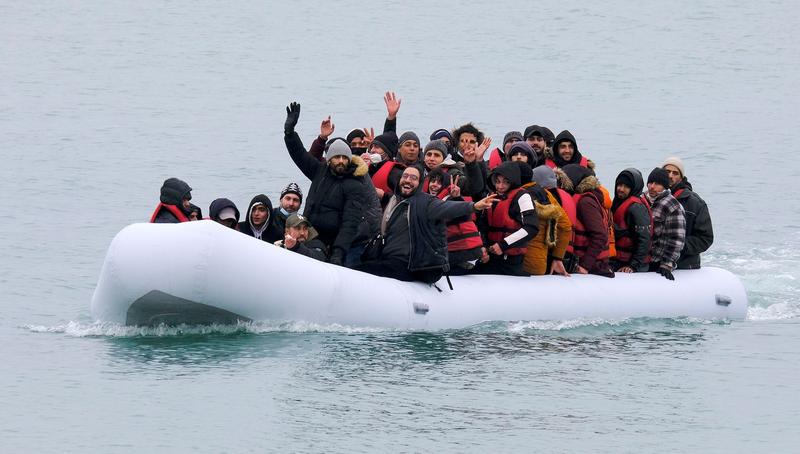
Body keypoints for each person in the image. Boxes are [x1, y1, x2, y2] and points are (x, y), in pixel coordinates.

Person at [355, 166, 496, 283]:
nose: (408, 180)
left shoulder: (427, 203)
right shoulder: (395, 200)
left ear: (420, 184)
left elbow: (448, 208)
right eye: (405, 176)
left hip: (410, 265)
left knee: (360, 271)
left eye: (413, 178)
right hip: (388, 258)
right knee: (360, 265)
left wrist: (474, 206)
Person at [284, 102, 380, 266]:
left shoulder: (355, 183)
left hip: (341, 243)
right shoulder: (319, 171)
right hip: (313, 236)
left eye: (344, 157)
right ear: (329, 159)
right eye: (337, 157)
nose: (341, 161)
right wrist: (289, 132)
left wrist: (338, 253)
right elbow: (299, 155)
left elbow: (349, 223)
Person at [474, 161, 539, 276]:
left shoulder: (523, 197)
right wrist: (483, 247)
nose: (500, 186)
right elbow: (483, 225)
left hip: (511, 261)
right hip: (491, 257)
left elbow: (531, 228)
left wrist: (503, 245)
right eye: (497, 181)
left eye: (505, 182)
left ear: (513, 182)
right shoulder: (491, 197)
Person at [425, 167, 485, 274]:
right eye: (433, 181)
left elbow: (462, 214)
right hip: (452, 252)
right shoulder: (430, 201)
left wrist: (456, 198)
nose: (434, 185)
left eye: (439, 183)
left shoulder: (450, 200)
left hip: (463, 254)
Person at [560, 164, 614, 277]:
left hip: (593, 266)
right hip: (588, 263)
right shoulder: (586, 198)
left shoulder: (585, 202)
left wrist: (585, 265)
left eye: (563, 182)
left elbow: (600, 235)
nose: (561, 186)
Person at [662, 157, 714, 269]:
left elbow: (705, 238)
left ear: (681, 177)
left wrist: (678, 245)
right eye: (667, 171)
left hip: (684, 266)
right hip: (656, 263)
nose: (670, 176)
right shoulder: (650, 198)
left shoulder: (695, 203)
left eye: (675, 173)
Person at [522, 165, 572, 276]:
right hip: (542, 261)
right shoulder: (560, 197)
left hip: (522, 259)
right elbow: (565, 226)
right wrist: (558, 257)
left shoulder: (525, 195)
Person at [643, 168, 686, 280]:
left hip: (658, 261)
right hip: (641, 260)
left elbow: (677, 238)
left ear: (665, 187)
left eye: (657, 184)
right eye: (650, 183)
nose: (652, 187)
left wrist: (667, 264)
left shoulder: (673, 206)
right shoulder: (641, 199)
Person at [610, 168, 652, 273]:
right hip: (619, 260)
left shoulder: (637, 207)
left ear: (634, 188)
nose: (621, 189)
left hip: (634, 264)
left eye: (626, 186)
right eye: (619, 185)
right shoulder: (617, 203)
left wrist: (633, 266)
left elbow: (644, 239)